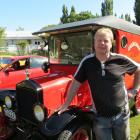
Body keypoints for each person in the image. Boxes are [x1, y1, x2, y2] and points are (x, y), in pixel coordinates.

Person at [57, 27, 140, 140]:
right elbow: (75, 83)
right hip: (101, 118)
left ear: (111, 44)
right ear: (94, 43)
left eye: (106, 40)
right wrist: (66, 104)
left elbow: (138, 69)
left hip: (121, 115)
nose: (102, 43)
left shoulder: (120, 60)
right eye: (98, 40)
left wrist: (135, 90)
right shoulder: (87, 62)